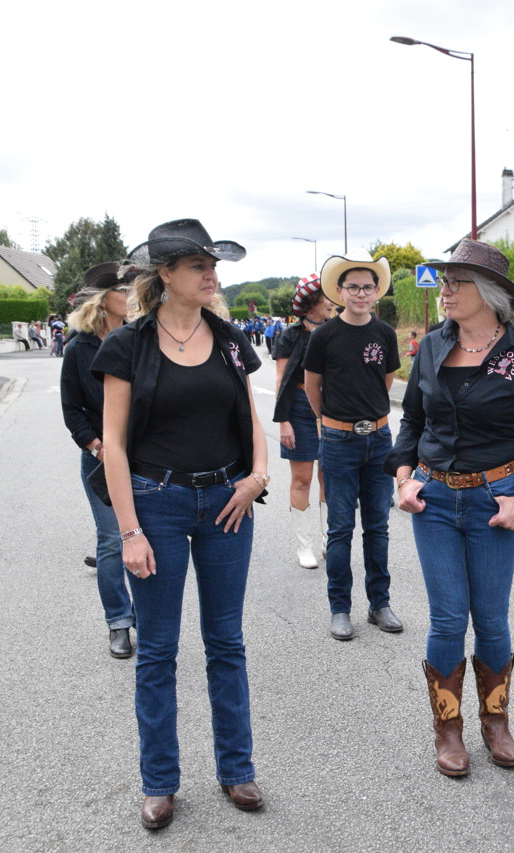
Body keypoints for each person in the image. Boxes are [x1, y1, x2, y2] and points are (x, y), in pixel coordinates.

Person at [93, 219, 269, 829]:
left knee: (226, 642)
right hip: (156, 502)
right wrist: (129, 531)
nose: (211, 275)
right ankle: (159, 782)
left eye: (213, 265)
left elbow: (251, 419)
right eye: (198, 266)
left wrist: (257, 476)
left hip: (227, 501)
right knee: (158, 651)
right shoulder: (128, 345)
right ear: (165, 275)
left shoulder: (230, 338)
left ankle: (236, 769)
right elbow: (114, 445)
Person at [387, 239, 514, 777]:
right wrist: (404, 478)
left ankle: (496, 722)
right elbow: (413, 421)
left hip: (494, 497)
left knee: (490, 617)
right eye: (444, 281)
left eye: (456, 282)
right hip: (434, 498)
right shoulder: (431, 346)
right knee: (446, 618)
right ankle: (448, 728)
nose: (446, 290)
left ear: (488, 293)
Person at [303, 250, 402, 641]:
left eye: (367, 287)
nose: (361, 293)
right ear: (340, 291)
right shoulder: (324, 335)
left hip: (378, 440)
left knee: (378, 527)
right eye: (353, 287)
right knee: (341, 528)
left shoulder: (385, 333)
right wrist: (331, 421)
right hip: (338, 441)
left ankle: (380, 604)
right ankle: (340, 609)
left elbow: (387, 380)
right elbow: (312, 386)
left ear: (376, 292)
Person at [60, 262, 136, 658]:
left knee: (149, 537)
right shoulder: (78, 348)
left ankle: (149, 617)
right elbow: (72, 409)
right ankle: (119, 621)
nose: (130, 296)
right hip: (101, 459)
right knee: (111, 539)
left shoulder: (139, 339)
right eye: (123, 290)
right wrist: (97, 446)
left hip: (144, 458)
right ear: (104, 300)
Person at [273, 275, 334, 569]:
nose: (332, 302)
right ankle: (304, 547)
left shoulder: (337, 330)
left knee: (328, 476)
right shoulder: (290, 336)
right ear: (311, 303)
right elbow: (281, 380)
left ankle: (328, 541)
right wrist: (283, 420)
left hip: (332, 407)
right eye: (327, 296)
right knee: (302, 479)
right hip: (298, 406)